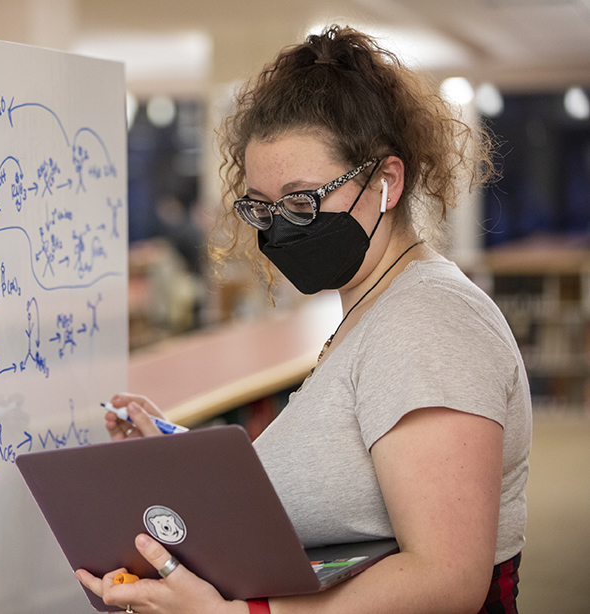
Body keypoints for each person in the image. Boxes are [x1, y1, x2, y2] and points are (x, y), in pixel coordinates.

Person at [76, 25, 531, 614]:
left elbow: (445, 580)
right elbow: (345, 472)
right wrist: (177, 452)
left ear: (385, 181)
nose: (280, 228)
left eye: (301, 201)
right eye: (262, 207)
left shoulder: (427, 321)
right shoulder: (372, 311)